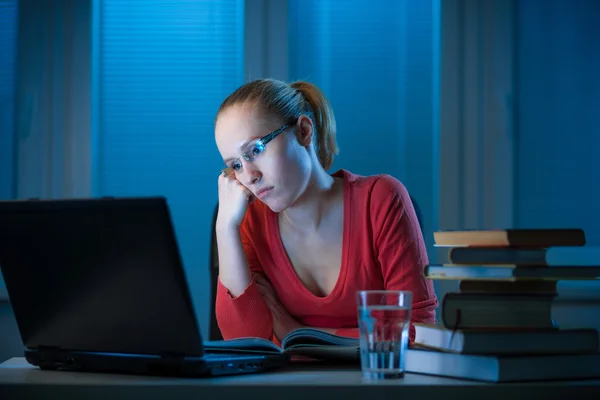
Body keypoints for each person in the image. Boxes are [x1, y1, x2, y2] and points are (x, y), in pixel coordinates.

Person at [214, 78, 438, 343]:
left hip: (376, 383)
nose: (249, 176)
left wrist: (299, 334)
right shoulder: (251, 222)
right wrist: (225, 227)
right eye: (236, 165)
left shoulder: (381, 199)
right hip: (287, 385)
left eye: (256, 149)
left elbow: (417, 333)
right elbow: (246, 341)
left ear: (304, 131)